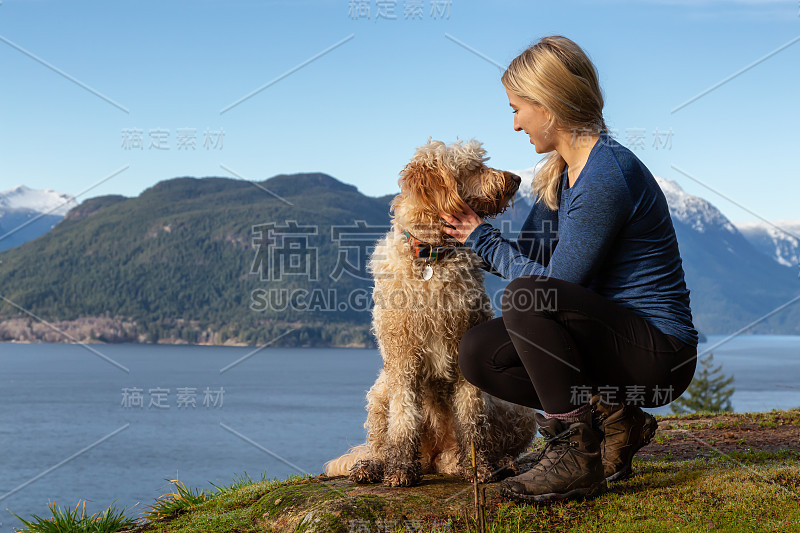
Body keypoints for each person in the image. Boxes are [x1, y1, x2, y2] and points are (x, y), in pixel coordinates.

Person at [438, 35, 699, 503]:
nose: (515, 125)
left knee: (527, 300)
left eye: (517, 108)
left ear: (550, 106)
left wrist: (481, 238)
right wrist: (455, 239)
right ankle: (614, 420)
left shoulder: (606, 176)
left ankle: (573, 455)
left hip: (660, 354)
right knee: (479, 352)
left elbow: (549, 288)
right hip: (609, 339)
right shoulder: (559, 175)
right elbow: (531, 266)